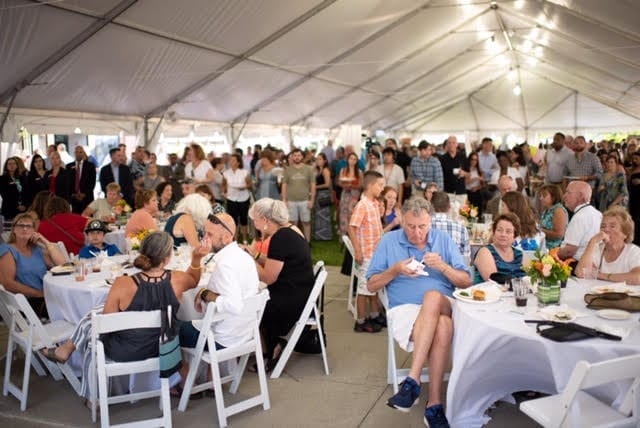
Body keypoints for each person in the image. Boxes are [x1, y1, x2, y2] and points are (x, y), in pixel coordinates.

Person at [39, 231, 206, 401]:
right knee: (167, 328)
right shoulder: (178, 280)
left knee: (94, 325)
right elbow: (194, 280)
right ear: (168, 258)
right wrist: (196, 259)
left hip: (126, 351)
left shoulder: (122, 284)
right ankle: (184, 382)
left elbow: (106, 325)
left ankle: (93, 398)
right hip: (165, 348)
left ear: (142, 252)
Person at [366, 198, 471, 427]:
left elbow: (466, 281)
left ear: (430, 221)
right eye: (411, 226)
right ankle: (434, 405)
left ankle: (412, 380)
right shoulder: (389, 241)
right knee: (443, 327)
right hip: (406, 310)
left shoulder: (443, 239)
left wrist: (443, 266)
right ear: (402, 221)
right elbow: (371, 285)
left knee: (432, 296)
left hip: (444, 303)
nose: (417, 233)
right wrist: (396, 270)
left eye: (422, 226)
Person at [245, 198, 314, 372]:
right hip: (301, 293)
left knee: (249, 308)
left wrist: (249, 262)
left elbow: (269, 277)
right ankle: (270, 347)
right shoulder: (291, 230)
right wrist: (255, 255)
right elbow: (278, 262)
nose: (255, 224)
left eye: (255, 220)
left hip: (290, 301)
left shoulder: (280, 238)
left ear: (265, 219)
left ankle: (266, 354)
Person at [180, 213, 259, 358]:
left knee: (168, 331)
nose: (204, 239)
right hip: (245, 333)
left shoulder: (225, 265)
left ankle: (184, 373)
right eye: (204, 233)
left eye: (210, 234)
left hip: (221, 339)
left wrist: (205, 294)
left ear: (227, 237)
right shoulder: (244, 256)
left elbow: (234, 305)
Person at [0, 213, 66, 317]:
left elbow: (63, 266)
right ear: (14, 230)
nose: (25, 229)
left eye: (29, 226)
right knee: (69, 306)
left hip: (45, 298)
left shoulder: (37, 249)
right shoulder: (7, 250)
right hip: (26, 303)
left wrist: (46, 243)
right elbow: (8, 284)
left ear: (34, 231)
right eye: (21, 225)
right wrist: (40, 294)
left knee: (72, 301)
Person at [349, 171, 385, 333]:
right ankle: (361, 321)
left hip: (375, 253)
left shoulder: (374, 203)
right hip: (366, 254)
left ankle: (374, 315)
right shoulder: (362, 205)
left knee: (372, 285)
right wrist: (357, 250)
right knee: (363, 289)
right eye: (380, 185)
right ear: (370, 186)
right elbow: (352, 227)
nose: (382, 188)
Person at [575, 207, 640, 285]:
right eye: (603, 226)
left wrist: (602, 275)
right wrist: (592, 242)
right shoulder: (597, 249)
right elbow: (581, 273)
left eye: (612, 226)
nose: (606, 230)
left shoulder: (634, 251)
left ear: (625, 233)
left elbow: (638, 277)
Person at [473, 213, 525, 283]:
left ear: (515, 236)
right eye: (499, 230)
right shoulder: (485, 252)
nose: (503, 234)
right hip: (491, 290)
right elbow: (493, 281)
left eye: (508, 231)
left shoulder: (519, 254)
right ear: (494, 232)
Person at [558, 180, 603, 262]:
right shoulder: (597, 213)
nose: (564, 196)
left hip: (577, 263)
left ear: (580, 196)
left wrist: (554, 254)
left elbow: (569, 251)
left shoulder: (580, 216)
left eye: (568, 192)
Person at [281, 148, 315, 242]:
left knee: (306, 222)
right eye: (295, 155)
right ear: (292, 157)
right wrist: (284, 200)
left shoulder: (309, 169)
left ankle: (307, 242)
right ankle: (294, 242)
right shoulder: (288, 170)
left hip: (305, 200)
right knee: (292, 223)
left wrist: (312, 200)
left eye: (299, 155)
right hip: (291, 201)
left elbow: (313, 185)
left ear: (302, 157)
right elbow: (284, 185)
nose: (297, 157)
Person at [431, 192, 470, 260]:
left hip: (427, 266)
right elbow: (466, 259)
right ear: (449, 207)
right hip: (454, 266)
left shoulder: (422, 226)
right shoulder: (461, 229)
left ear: (430, 207)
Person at [222, 153, 252, 243]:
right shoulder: (226, 173)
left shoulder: (244, 172)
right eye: (230, 160)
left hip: (243, 198)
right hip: (231, 198)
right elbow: (223, 185)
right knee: (233, 220)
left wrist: (244, 187)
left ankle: (245, 238)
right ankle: (235, 239)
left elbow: (250, 184)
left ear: (238, 162)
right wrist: (224, 193)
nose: (231, 162)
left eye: (233, 160)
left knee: (243, 219)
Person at [338, 152, 364, 236]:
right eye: (351, 159)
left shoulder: (359, 172)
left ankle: (353, 233)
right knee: (343, 212)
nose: (352, 161)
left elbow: (361, 185)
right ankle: (343, 233)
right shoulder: (343, 170)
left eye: (354, 159)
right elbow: (339, 182)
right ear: (348, 160)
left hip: (354, 194)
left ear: (356, 161)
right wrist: (344, 185)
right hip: (345, 193)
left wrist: (352, 185)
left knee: (352, 212)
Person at [67, 145, 96, 214]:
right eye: (77, 152)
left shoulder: (90, 166)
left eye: (80, 152)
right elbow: (67, 182)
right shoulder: (69, 166)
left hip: (87, 198)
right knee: (75, 218)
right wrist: (74, 194)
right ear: (74, 153)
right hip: (73, 198)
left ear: (83, 153)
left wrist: (84, 194)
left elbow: (92, 182)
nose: (78, 154)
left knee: (87, 217)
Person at [440, 136, 468, 206]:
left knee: (463, 212)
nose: (451, 145)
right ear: (447, 145)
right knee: (449, 211)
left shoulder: (463, 157)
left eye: (453, 143)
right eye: (449, 143)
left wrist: (464, 173)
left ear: (457, 144)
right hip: (448, 192)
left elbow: (469, 173)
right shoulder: (442, 158)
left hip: (461, 192)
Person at [538, 184, 568, 250]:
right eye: (540, 196)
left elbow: (559, 235)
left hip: (554, 249)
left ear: (554, 197)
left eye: (544, 196)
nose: (541, 198)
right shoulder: (547, 209)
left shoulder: (558, 211)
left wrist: (538, 230)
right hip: (544, 246)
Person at [0, 156, 28, 220]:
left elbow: (26, 192)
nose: (12, 165)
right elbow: (5, 195)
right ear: (6, 166)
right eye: (9, 164)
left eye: (14, 163)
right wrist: (17, 206)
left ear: (17, 166)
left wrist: (25, 205)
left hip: (23, 209)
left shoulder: (22, 178)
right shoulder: (2, 179)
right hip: (9, 209)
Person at [313, 152, 333, 241]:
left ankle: (325, 235)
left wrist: (316, 187)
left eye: (320, 159)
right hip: (318, 194)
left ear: (325, 161)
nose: (318, 161)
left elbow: (327, 184)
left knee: (324, 215)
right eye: (317, 159)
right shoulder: (317, 171)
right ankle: (319, 235)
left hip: (324, 194)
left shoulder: (325, 170)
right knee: (318, 214)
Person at [464, 152, 484, 217]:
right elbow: (465, 182)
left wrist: (477, 187)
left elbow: (483, 184)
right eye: (472, 159)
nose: (473, 161)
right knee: (467, 214)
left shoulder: (479, 170)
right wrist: (476, 178)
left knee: (475, 214)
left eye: (475, 160)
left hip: (476, 193)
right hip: (467, 192)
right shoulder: (466, 169)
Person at [629, 152, 640, 245]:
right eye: (633, 159)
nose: (634, 160)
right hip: (633, 198)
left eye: (636, 158)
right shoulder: (632, 170)